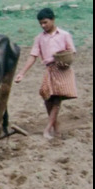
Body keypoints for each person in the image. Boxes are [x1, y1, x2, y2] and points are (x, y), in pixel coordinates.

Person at [14, 7, 78, 140]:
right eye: (41, 24)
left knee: (56, 99)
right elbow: (33, 56)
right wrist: (22, 73)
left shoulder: (64, 35)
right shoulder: (39, 38)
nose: (43, 26)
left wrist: (62, 58)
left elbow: (72, 52)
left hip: (63, 69)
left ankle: (47, 130)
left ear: (53, 20)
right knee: (47, 98)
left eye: (45, 22)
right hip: (49, 69)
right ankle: (57, 129)